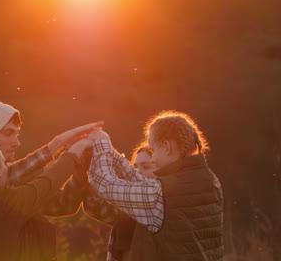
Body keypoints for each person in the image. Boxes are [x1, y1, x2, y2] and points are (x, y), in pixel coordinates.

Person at [0, 101, 102, 260]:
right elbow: (42, 185)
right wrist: (74, 153)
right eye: (8, 133)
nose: (17, 143)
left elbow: (63, 205)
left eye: (17, 134)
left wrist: (77, 170)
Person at [87, 110, 224, 260]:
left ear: (166, 146)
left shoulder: (163, 192)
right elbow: (144, 184)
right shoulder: (208, 179)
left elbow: (104, 183)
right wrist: (111, 154)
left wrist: (101, 142)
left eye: (153, 150)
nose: (153, 159)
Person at [0, 138, 91, 261]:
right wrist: (75, 153)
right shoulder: (2, 205)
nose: (6, 168)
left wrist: (78, 174)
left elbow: (61, 203)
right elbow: (45, 184)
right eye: (2, 164)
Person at [83, 145, 156, 261]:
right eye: (134, 167)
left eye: (146, 167)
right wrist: (91, 166)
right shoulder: (128, 207)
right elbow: (95, 206)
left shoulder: (164, 207)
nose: (137, 172)